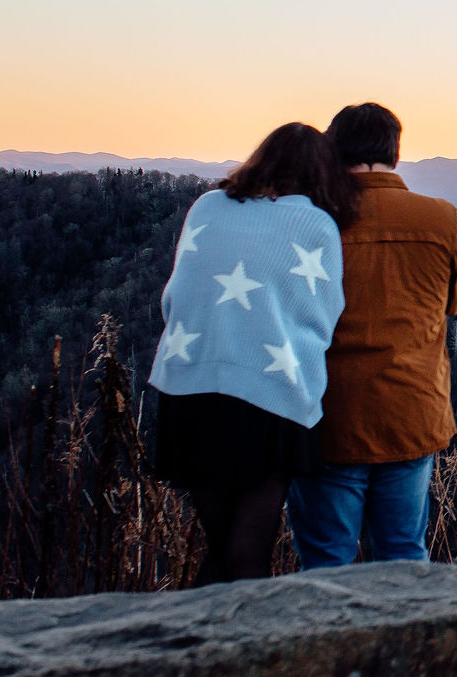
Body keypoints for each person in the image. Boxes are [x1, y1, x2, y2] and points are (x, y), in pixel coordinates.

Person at [147, 122, 352, 584]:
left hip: (189, 389)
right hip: (270, 396)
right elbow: (324, 313)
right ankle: (242, 650)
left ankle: (197, 645)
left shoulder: (207, 206)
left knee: (219, 547)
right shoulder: (316, 224)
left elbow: (175, 297)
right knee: (248, 553)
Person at [287, 102, 457, 567]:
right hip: (409, 412)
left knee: (325, 563)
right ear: (394, 152)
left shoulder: (310, 219)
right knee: (404, 557)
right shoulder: (441, 218)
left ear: (333, 150)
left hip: (328, 416)